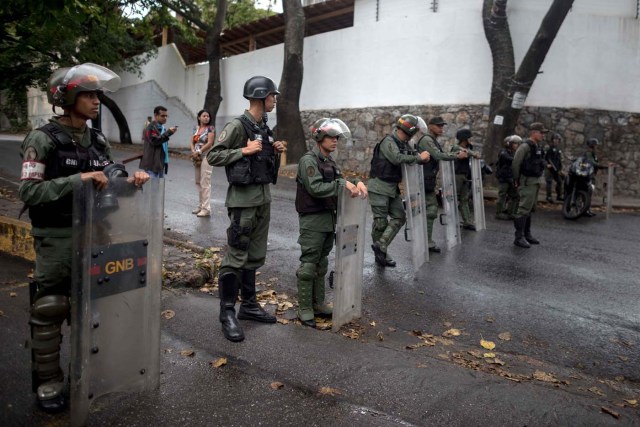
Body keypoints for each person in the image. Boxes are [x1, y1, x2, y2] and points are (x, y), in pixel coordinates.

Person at [19, 63, 150, 412]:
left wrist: (131, 182)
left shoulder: (98, 141)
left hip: (96, 235)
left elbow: (110, 185)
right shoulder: (42, 139)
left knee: (92, 308)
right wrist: (79, 181)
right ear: (68, 97)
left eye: (97, 95)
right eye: (88, 95)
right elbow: (30, 193)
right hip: (58, 236)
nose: (96, 101)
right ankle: (48, 383)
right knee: (51, 308)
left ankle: (87, 374)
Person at [206, 76, 286, 342]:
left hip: (262, 197)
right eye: (272, 96)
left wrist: (274, 149)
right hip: (243, 201)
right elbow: (214, 155)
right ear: (261, 97)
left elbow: (261, 156)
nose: (275, 99)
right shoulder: (238, 126)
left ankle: (249, 305)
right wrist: (243, 149)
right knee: (237, 254)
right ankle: (226, 312)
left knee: (253, 254)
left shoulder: (262, 125)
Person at [295, 118, 368, 327]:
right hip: (312, 219)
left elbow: (342, 183)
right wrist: (342, 184)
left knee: (321, 264)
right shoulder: (309, 161)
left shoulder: (329, 162)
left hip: (328, 219)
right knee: (309, 264)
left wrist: (357, 184)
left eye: (337, 137)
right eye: (331, 137)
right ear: (319, 137)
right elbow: (316, 188)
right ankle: (305, 308)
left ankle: (318, 304)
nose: (335, 141)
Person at [368, 114, 430, 267]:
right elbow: (396, 158)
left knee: (400, 217)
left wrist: (422, 159)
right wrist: (418, 158)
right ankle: (381, 255)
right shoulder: (389, 141)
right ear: (410, 131)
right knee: (381, 223)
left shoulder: (404, 143)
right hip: (379, 187)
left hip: (392, 187)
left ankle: (381, 245)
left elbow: (413, 156)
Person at [415, 116, 467, 252]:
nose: (441, 128)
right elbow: (439, 156)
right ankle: (425, 241)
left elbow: (442, 154)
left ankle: (426, 240)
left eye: (442, 126)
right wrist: (456, 156)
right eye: (438, 126)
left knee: (430, 211)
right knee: (428, 210)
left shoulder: (432, 140)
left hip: (428, 182)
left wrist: (456, 153)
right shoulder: (427, 140)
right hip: (422, 181)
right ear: (430, 126)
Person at [512, 122, 547, 248]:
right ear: (534, 133)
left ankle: (527, 234)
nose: (543, 135)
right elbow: (516, 163)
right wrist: (516, 179)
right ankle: (518, 237)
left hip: (535, 181)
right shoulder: (525, 146)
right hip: (527, 181)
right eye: (541, 132)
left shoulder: (537, 146)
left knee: (530, 208)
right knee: (523, 209)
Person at [451, 128, 482, 231]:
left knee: (464, 199)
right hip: (457, 175)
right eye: (469, 137)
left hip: (464, 175)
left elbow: (469, 151)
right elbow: (465, 152)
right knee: (454, 198)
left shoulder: (468, 147)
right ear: (464, 138)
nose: (471, 139)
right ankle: (451, 220)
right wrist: (474, 154)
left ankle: (467, 222)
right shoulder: (456, 148)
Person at [140, 105, 178, 178]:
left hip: (160, 164)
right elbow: (155, 141)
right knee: (152, 188)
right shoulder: (150, 128)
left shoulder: (162, 128)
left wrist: (168, 132)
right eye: (162, 116)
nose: (165, 118)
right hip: (152, 166)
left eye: (166, 116)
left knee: (158, 188)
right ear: (156, 115)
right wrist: (168, 132)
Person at [190, 110, 215, 217]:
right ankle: (200, 206)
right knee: (198, 181)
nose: (206, 117)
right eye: (204, 116)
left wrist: (199, 151)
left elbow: (210, 143)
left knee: (205, 182)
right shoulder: (196, 128)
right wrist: (193, 152)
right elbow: (192, 142)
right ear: (199, 117)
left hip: (206, 156)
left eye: (208, 116)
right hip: (196, 157)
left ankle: (206, 208)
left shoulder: (211, 128)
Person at [582, 138, 613, 217]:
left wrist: (604, 166)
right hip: (587, 175)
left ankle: (587, 209)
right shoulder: (589, 153)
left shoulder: (593, 154)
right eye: (595, 145)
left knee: (589, 193)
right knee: (587, 192)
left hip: (591, 175)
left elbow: (596, 163)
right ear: (592, 145)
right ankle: (584, 209)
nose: (596, 146)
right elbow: (592, 163)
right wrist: (603, 166)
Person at [495, 135, 521, 220]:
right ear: (509, 144)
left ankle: (510, 212)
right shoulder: (503, 152)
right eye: (514, 143)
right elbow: (510, 159)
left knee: (514, 195)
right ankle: (498, 213)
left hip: (511, 177)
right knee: (502, 195)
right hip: (504, 177)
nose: (516, 145)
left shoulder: (513, 153)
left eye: (517, 144)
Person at [544, 132, 564, 203]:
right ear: (552, 140)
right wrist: (547, 164)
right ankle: (548, 197)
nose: (556, 141)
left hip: (556, 169)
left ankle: (559, 196)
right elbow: (544, 158)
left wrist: (560, 169)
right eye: (555, 139)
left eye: (558, 139)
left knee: (560, 181)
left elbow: (559, 160)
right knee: (549, 182)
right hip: (549, 168)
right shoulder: (548, 147)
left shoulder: (558, 149)